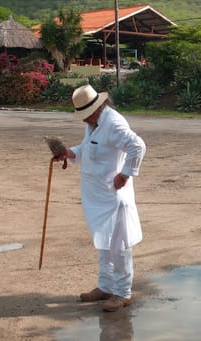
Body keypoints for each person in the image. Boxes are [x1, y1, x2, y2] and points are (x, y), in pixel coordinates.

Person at [58, 84, 146, 312]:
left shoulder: (113, 123)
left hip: (114, 198)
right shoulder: (94, 124)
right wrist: (70, 153)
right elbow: (88, 148)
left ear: (96, 109)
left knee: (119, 246)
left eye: (84, 115)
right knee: (103, 244)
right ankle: (105, 287)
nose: (83, 120)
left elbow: (138, 146)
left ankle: (122, 292)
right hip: (97, 198)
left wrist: (125, 174)